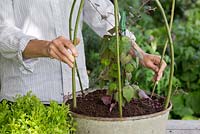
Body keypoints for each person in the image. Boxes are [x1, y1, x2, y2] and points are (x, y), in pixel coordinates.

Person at [0, 0, 166, 104]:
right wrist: (45, 47)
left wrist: (140, 54)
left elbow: (103, 15)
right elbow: (2, 31)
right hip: (26, 96)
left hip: (77, 96)